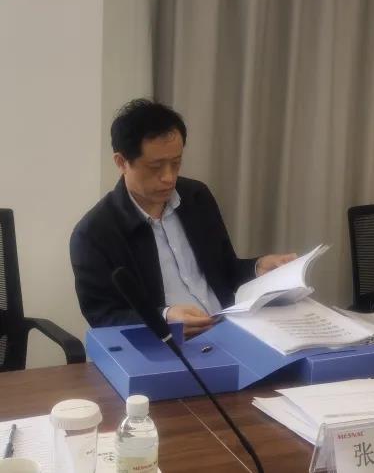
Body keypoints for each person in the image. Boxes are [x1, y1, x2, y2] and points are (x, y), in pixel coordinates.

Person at [71, 99, 295, 335]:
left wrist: (258, 267)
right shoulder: (93, 234)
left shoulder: (196, 198)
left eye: (176, 163)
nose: (169, 177)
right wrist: (164, 317)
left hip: (230, 329)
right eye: (155, 167)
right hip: (167, 345)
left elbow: (225, 270)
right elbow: (103, 317)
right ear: (122, 162)